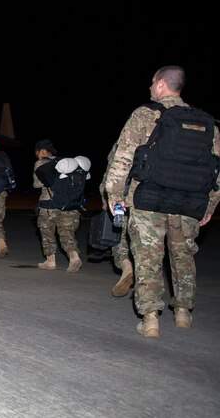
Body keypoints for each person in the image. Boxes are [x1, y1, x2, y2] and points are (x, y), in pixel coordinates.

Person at [105, 66, 220, 338]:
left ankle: (150, 319)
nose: (149, 88)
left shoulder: (145, 115)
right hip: (188, 203)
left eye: (152, 83)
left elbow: (123, 158)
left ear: (161, 85)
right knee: (183, 257)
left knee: (147, 259)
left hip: (148, 200)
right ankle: (182, 312)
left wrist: (114, 196)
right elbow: (215, 171)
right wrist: (210, 205)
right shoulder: (208, 123)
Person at [32, 139, 83, 272]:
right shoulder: (66, 163)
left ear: (40, 151)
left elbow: (37, 184)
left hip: (49, 204)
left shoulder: (40, 163)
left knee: (47, 230)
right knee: (66, 231)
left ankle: (50, 260)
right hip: (68, 203)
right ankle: (74, 257)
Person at [99, 141, 134, 296]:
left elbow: (112, 171)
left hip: (126, 198)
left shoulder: (130, 138)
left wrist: (107, 198)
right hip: (160, 202)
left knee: (120, 238)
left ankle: (127, 267)